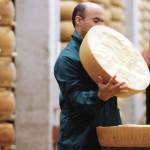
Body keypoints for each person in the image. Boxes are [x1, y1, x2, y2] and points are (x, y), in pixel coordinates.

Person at [54, 2, 128, 150]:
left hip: (108, 140)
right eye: (95, 21)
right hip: (80, 141)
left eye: (101, 22)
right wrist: (100, 96)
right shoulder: (68, 59)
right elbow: (76, 99)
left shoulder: (104, 54)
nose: (100, 27)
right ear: (79, 21)